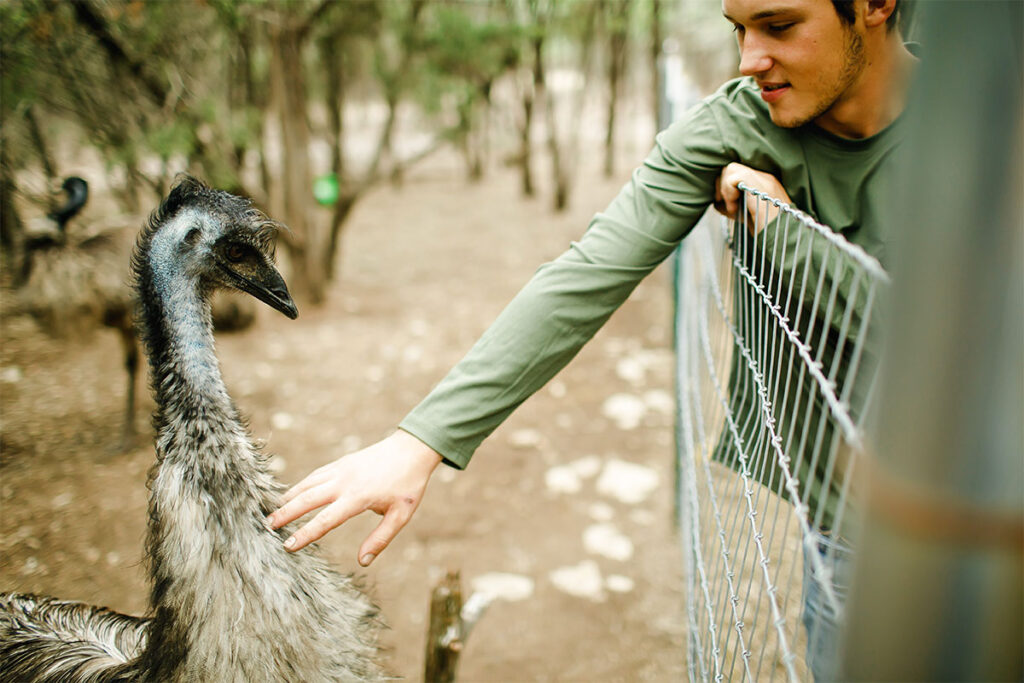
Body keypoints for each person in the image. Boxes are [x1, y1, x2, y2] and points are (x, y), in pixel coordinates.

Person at [270, 0, 914, 676]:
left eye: (778, 27)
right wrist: (419, 441)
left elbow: (926, 336)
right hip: (852, 524)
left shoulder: (987, 128)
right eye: (738, 30)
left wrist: (779, 228)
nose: (749, 60)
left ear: (873, 6)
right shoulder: (739, 122)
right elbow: (590, 269)